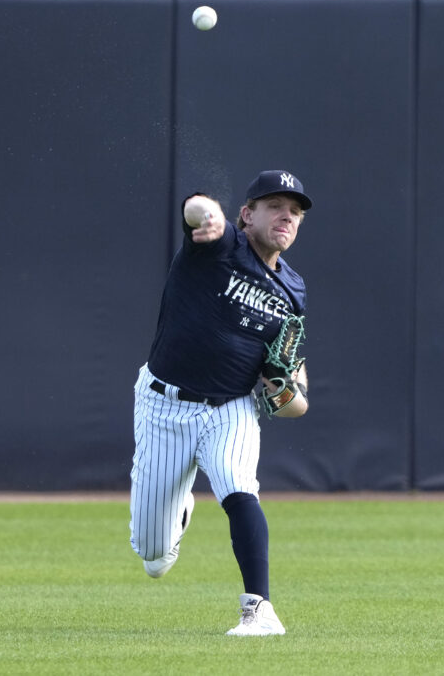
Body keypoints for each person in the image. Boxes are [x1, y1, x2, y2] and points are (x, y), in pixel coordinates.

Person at [129, 170, 312, 637]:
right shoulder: (220, 244)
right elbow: (196, 209)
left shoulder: (293, 289)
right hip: (163, 406)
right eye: (275, 206)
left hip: (229, 408)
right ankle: (178, 512)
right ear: (247, 215)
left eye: (294, 212)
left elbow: (293, 375)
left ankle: (259, 610)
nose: (286, 216)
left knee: (238, 488)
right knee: (151, 557)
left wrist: (293, 393)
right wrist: (204, 215)